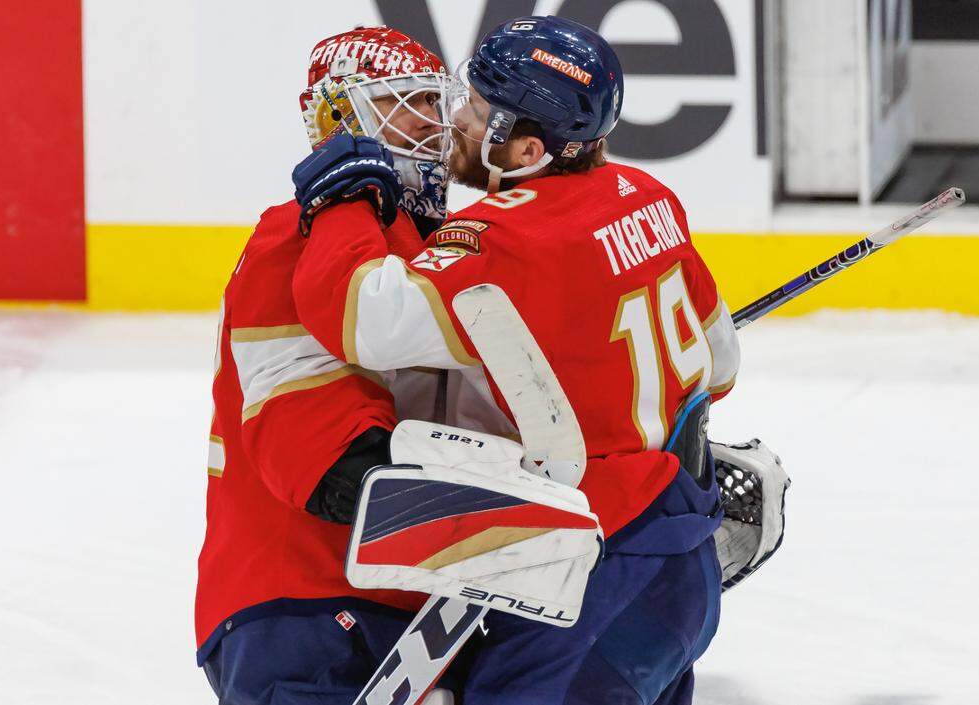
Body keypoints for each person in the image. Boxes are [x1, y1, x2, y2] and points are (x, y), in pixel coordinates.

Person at [290, 16, 762, 705]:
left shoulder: (508, 235)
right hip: (684, 560)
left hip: (594, 577)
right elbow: (718, 365)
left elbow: (360, 316)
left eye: (478, 110)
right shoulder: (651, 200)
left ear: (529, 148)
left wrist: (343, 197)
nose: (456, 118)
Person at [194, 26, 473, 704]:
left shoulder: (426, 244)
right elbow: (324, 460)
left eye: (437, 104)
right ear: (340, 117)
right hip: (303, 604)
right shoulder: (295, 236)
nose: (433, 125)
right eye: (405, 102)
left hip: (408, 606)